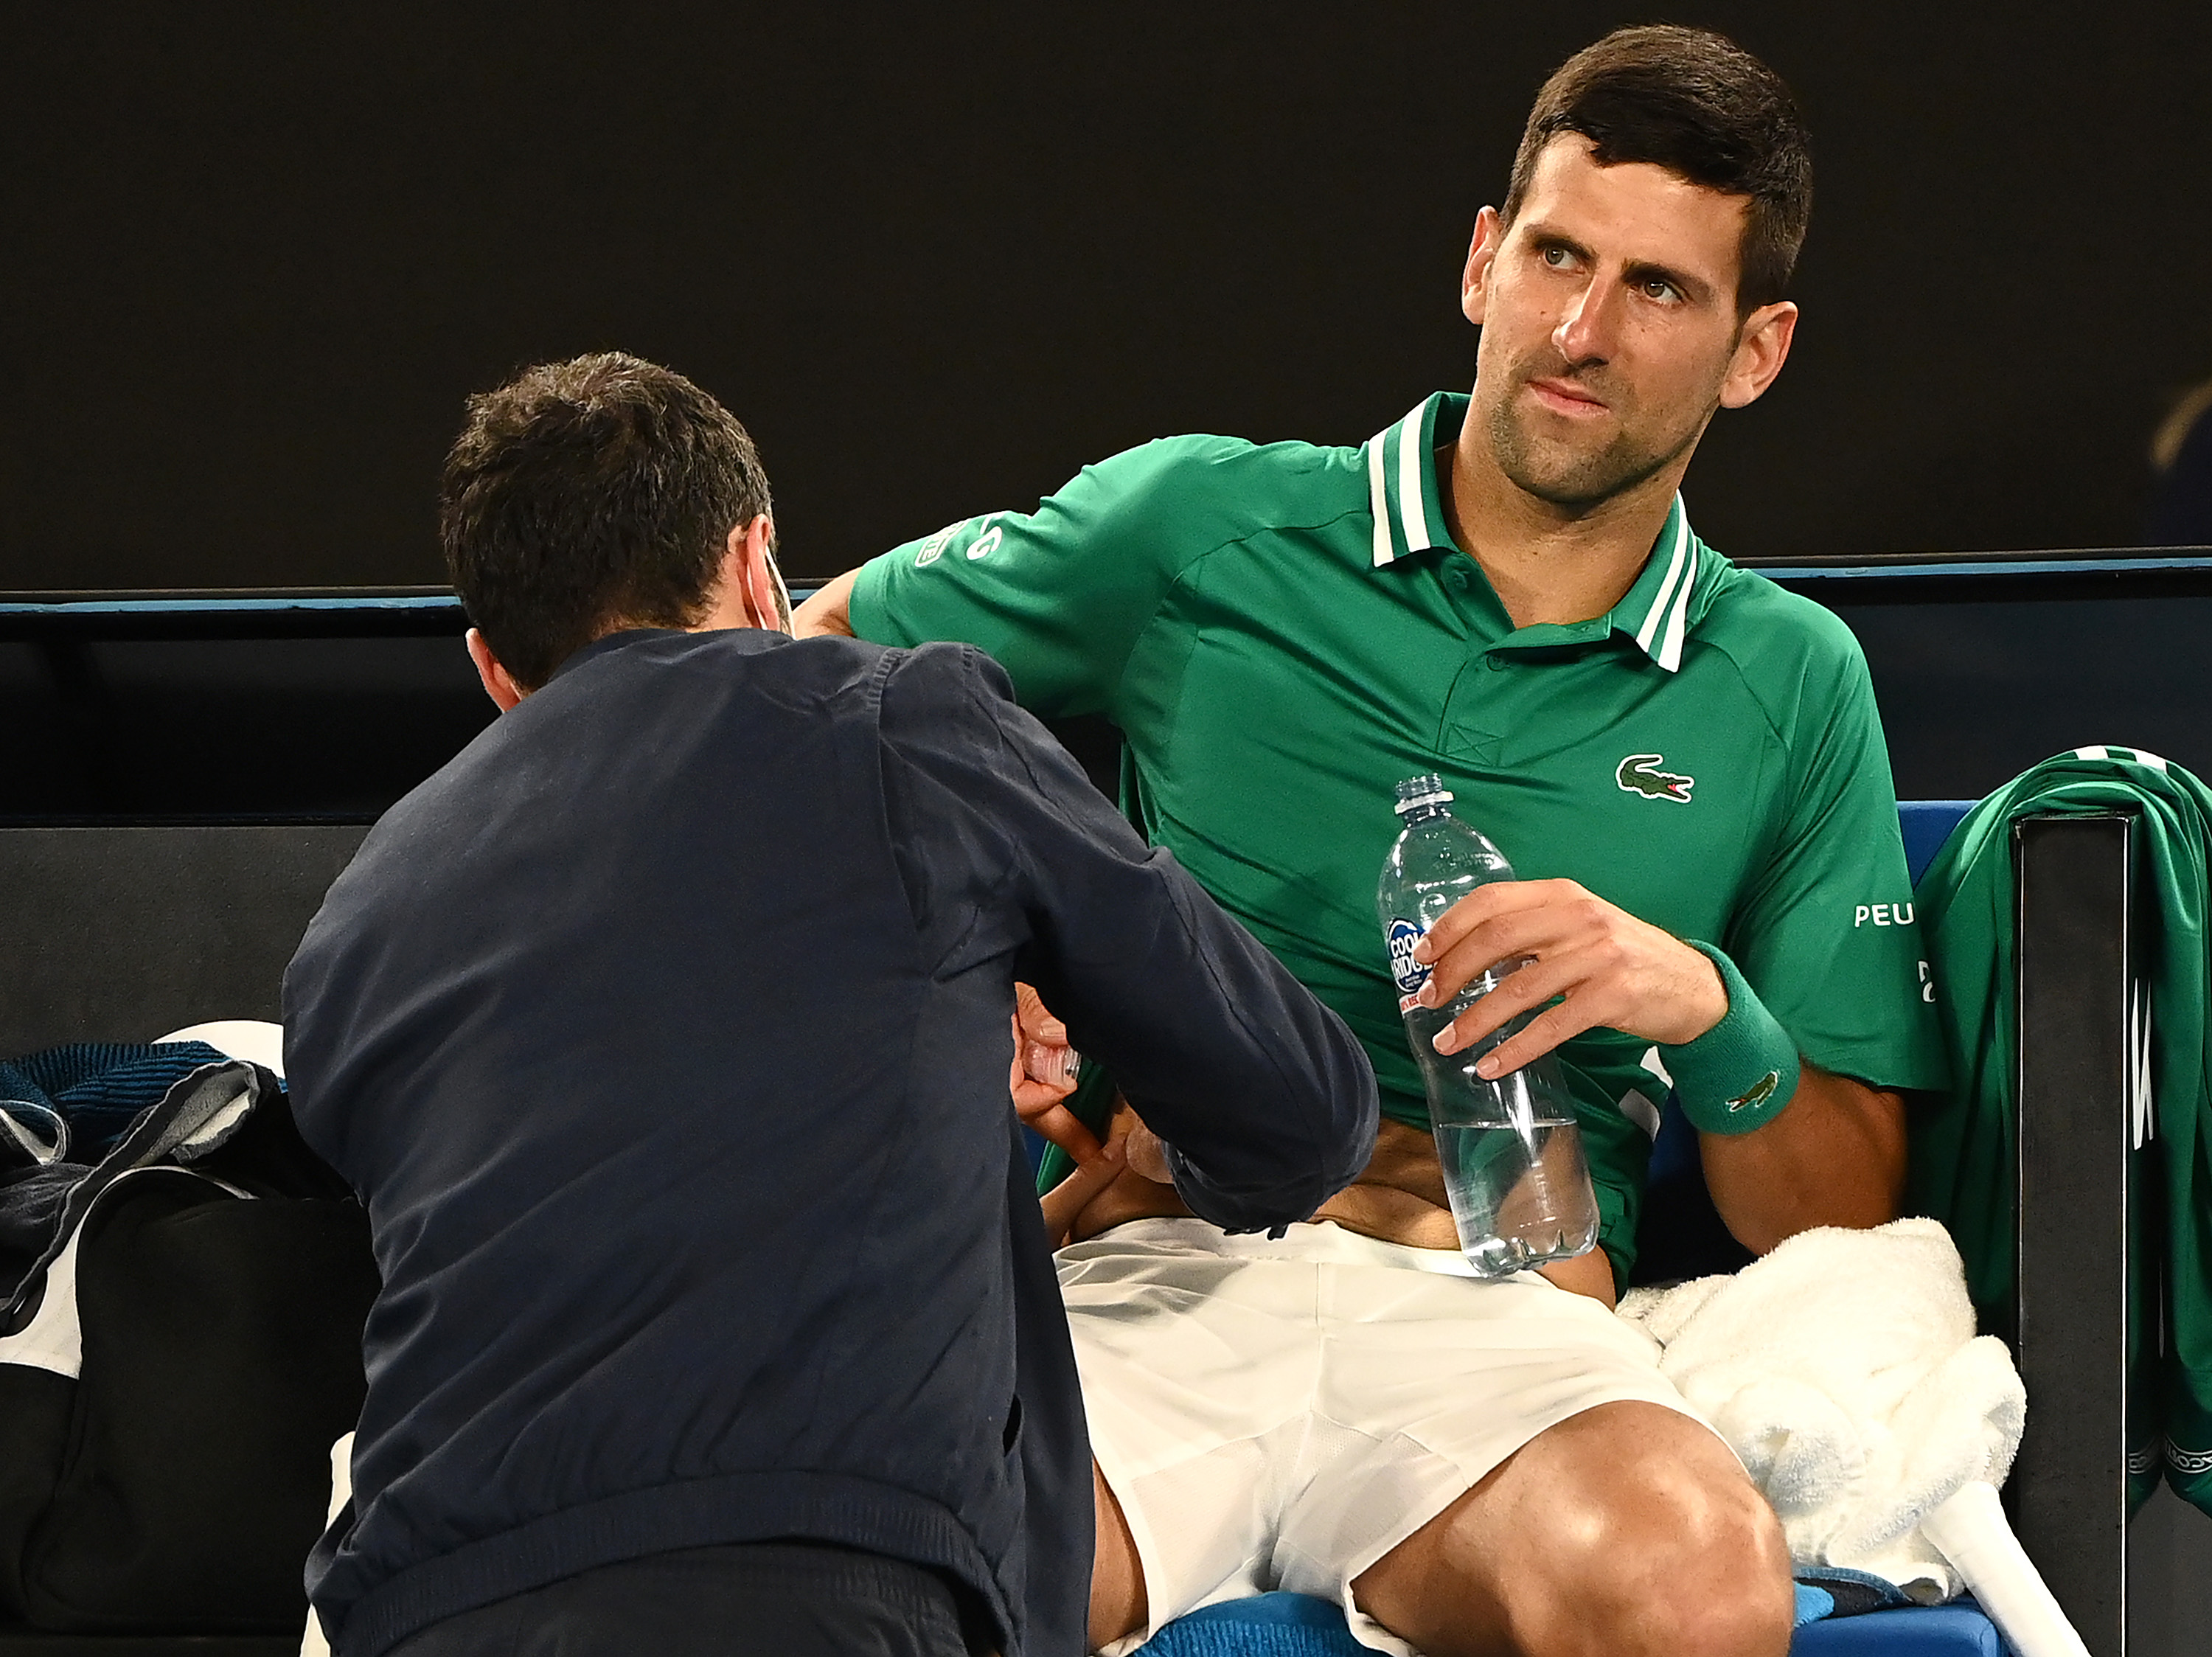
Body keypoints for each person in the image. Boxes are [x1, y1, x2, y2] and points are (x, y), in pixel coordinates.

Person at [797, 25, 1946, 1657]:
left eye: (1659, 290)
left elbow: (1832, 1212)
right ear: (1483, 261)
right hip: (1158, 1277)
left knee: (1694, 1585)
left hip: (1504, 1329)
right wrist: (934, 967)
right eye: (1555, 255)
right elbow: (791, 672)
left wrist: (1702, 1002)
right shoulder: (1203, 526)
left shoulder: (1790, 680)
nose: (1581, 327)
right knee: (881, 1574)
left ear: (1755, 349)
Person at [281, 353, 1377, 1657]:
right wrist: (1130, 1130)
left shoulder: (354, 919)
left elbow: (571, 1167)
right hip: (821, 1573)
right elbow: (1302, 1117)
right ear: (759, 565)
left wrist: (930, 1037)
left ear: (494, 671)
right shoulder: (903, 719)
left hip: (417, 1605)